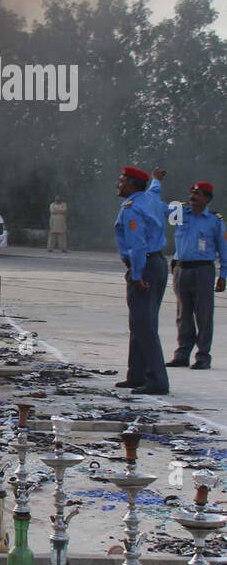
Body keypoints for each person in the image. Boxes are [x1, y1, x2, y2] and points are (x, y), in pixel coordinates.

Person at [114, 165, 169, 395]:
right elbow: (155, 190)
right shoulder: (151, 198)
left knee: (144, 326)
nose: (118, 183)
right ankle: (136, 375)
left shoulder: (132, 208)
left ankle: (157, 380)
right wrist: (156, 179)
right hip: (157, 264)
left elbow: (137, 245)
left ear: (132, 185)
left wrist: (137, 275)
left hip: (144, 267)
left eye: (122, 180)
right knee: (139, 323)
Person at [168, 181, 227, 370]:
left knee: (203, 314)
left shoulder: (215, 220)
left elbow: (223, 249)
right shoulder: (180, 214)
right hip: (181, 269)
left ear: (207, 198)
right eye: (192, 193)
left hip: (203, 270)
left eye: (199, 194)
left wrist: (223, 274)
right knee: (183, 313)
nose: (193, 197)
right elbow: (160, 213)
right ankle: (182, 353)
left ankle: (203, 356)